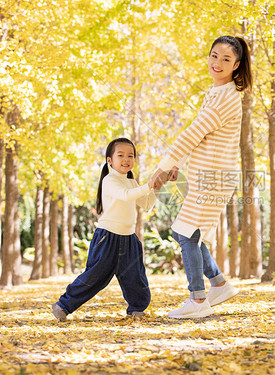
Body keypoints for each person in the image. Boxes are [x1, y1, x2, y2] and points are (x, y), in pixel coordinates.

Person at [151, 35, 253, 319]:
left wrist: (163, 165)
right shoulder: (217, 93)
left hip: (214, 177)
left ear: (236, 65)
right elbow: (204, 138)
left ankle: (198, 301)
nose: (217, 63)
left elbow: (193, 133)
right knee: (186, 232)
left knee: (186, 233)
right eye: (214, 55)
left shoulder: (227, 97)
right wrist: (178, 165)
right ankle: (218, 284)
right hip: (208, 176)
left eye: (226, 59)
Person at [52, 138, 156, 321]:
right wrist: (148, 185)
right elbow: (125, 196)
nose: (126, 159)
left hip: (129, 239)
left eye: (130, 156)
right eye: (121, 155)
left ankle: (137, 309)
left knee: (136, 277)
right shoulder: (109, 180)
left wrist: (156, 186)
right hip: (107, 238)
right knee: (94, 277)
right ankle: (63, 305)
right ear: (110, 160)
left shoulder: (132, 183)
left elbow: (146, 204)